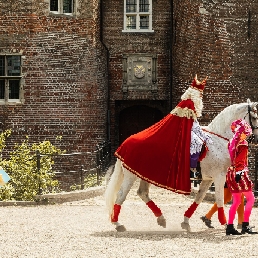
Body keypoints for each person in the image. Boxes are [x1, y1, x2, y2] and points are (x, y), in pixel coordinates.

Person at [115, 74, 210, 195]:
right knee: (197, 142)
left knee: (197, 140)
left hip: (185, 129)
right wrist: (202, 132)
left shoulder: (185, 102)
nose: (201, 97)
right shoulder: (190, 105)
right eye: (200, 94)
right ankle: (192, 168)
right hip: (182, 132)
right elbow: (192, 124)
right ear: (196, 94)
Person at [200, 119, 245, 229]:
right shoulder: (239, 143)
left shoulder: (231, 141)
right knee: (239, 196)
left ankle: (208, 216)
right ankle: (241, 223)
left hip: (228, 171)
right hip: (233, 172)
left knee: (227, 197)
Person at [225, 119, 257, 235]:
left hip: (231, 173)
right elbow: (240, 161)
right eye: (246, 132)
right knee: (251, 199)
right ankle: (245, 225)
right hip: (240, 173)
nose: (247, 134)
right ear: (242, 131)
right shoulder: (243, 144)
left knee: (237, 201)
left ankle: (229, 227)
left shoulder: (231, 141)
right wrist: (239, 172)